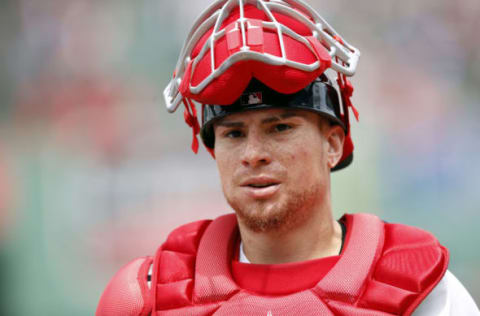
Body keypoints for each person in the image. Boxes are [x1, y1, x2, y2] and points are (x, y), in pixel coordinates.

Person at [96, 0, 479, 315]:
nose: (254, 154)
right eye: (233, 133)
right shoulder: (148, 298)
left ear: (332, 144)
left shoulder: (423, 294)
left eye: (280, 128)